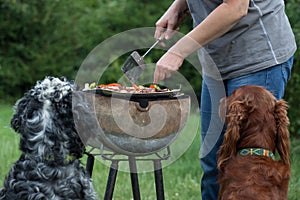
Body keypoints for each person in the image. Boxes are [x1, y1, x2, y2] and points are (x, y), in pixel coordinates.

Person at [153, 0, 297, 199]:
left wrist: (178, 51)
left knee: (252, 170)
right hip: (216, 63)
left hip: (255, 56)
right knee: (213, 163)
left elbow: (235, 7)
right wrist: (179, 6)